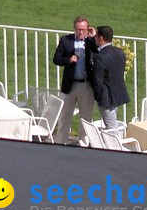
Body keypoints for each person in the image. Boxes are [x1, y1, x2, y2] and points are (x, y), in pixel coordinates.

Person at [52, 16, 97, 144]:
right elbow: (56, 59)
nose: (81, 32)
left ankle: (83, 143)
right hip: (70, 84)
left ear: (88, 29)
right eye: (78, 29)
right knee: (65, 116)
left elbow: (99, 53)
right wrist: (68, 60)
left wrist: (93, 37)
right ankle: (61, 143)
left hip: (86, 84)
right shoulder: (66, 40)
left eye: (83, 29)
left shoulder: (91, 42)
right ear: (74, 29)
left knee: (86, 118)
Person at [91, 25, 129, 131]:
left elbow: (97, 80)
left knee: (111, 128)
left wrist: (97, 96)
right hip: (116, 95)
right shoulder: (120, 53)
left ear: (101, 38)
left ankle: (114, 147)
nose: (95, 38)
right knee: (112, 125)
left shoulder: (100, 57)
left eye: (96, 36)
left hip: (106, 98)